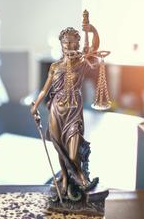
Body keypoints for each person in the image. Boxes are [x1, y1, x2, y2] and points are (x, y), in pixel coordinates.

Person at [31, 25, 100, 199]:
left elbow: (95, 48)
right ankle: (64, 179)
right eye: (66, 42)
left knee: (72, 150)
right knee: (58, 145)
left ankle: (81, 178)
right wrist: (35, 106)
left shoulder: (82, 63)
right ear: (61, 44)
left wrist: (91, 30)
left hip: (73, 110)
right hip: (56, 109)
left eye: (73, 42)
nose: (69, 45)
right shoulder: (55, 66)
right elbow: (44, 90)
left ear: (78, 44)